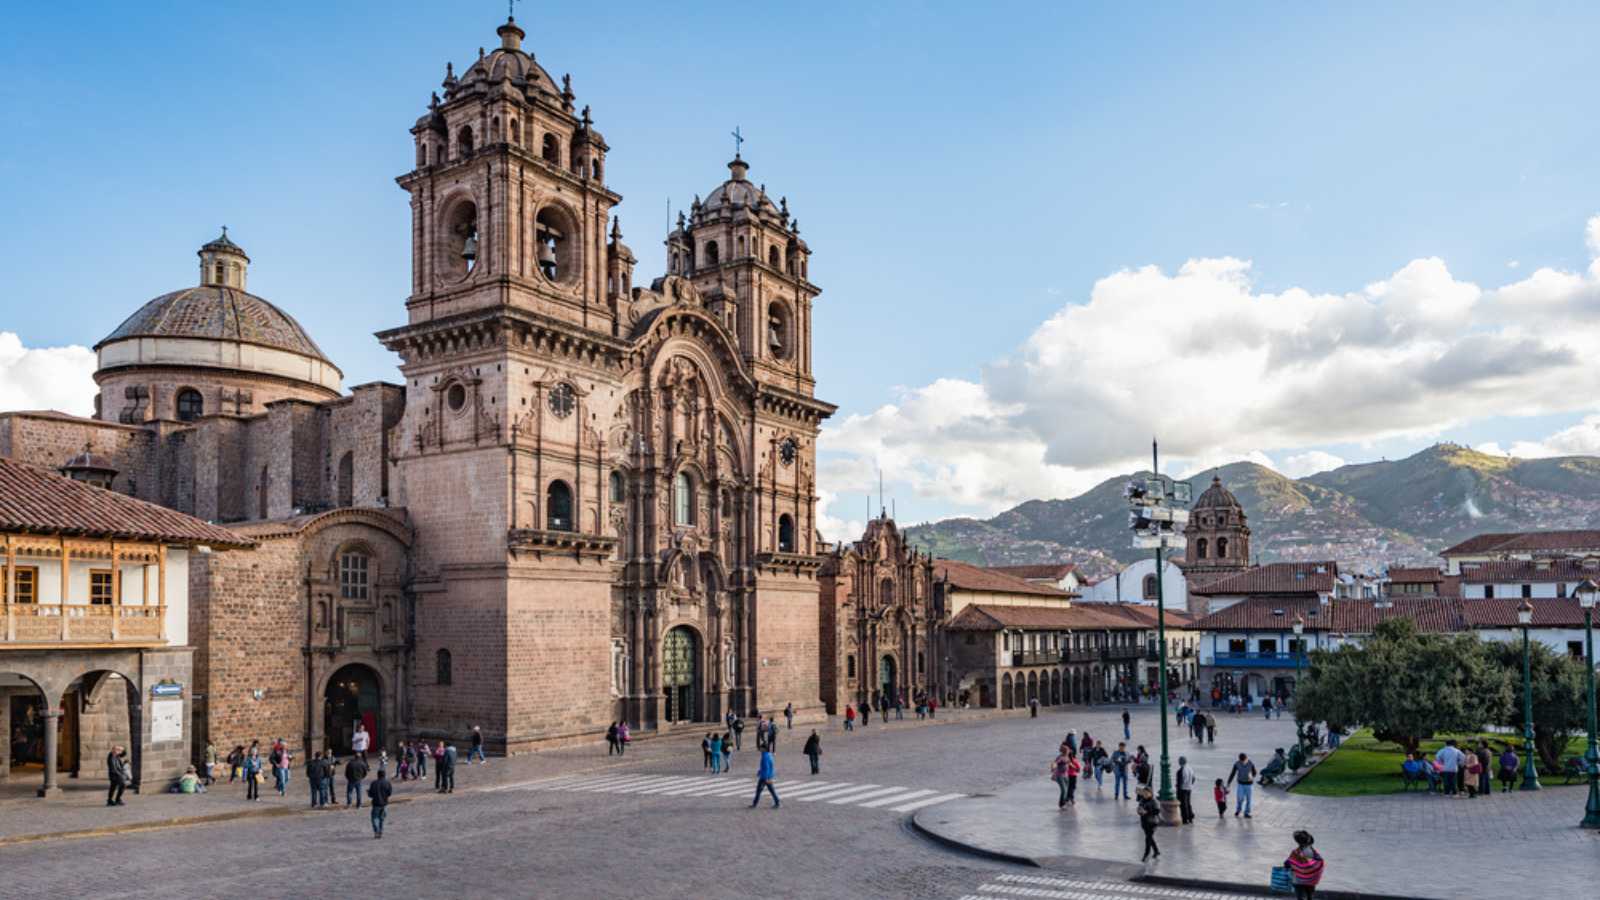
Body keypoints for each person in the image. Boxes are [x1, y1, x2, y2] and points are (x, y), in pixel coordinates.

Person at [1285, 830, 1325, 900]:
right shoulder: (1313, 852)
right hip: (1311, 880)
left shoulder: (1295, 853)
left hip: (1298, 880)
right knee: (1310, 896)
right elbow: (1319, 862)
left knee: (1299, 897)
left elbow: (1287, 864)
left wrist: (1296, 867)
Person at [1228, 752, 1257, 817]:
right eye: (1241, 761)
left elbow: (1255, 772)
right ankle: (1238, 810)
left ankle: (1247, 812)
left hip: (1249, 784)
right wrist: (1229, 782)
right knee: (1240, 798)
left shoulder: (1251, 764)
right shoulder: (1237, 764)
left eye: (1244, 760)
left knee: (1248, 799)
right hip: (1240, 784)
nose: (1243, 762)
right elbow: (1232, 773)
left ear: (1247, 759)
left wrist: (1252, 776)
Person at [1137, 788, 1161, 861]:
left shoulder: (1154, 801)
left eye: (1147, 793)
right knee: (1149, 837)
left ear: (1151, 793)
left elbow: (1157, 811)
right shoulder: (1142, 801)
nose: (1145, 795)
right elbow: (1139, 809)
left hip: (1153, 822)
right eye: (1144, 793)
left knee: (1148, 838)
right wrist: (1140, 811)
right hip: (1144, 822)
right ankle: (1156, 851)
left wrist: (1147, 812)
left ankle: (1146, 854)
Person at [368, 768, 392, 839]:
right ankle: (380, 831)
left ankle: (377, 831)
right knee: (381, 818)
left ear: (377, 775)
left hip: (376, 803)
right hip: (384, 803)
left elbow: (371, 794)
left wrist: (368, 793)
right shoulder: (387, 783)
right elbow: (389, 793)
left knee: (375, 818)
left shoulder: (374, 783)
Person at [1175, 755, 1196, 824]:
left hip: (1183, 789)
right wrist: (1190, 784)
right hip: (1189, 788)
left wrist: (1178, 790)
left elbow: (1179, 782)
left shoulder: (1181, 771)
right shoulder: (1190, 768)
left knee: (1183, 805)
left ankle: (1185, 819)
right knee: (1188, 803)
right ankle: (1190, 817)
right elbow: (1193, 778)